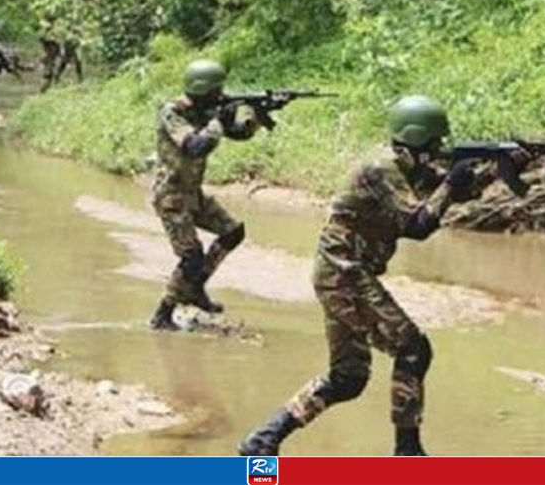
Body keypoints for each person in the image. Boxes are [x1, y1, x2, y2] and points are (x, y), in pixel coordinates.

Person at [238, 96, 524, 456]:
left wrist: (500, 169)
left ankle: (262, 441)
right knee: (414, 349)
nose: (439, 150)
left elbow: (454, 191)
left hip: (338, 272)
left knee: (347, 379)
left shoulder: (406, 168)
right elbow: (418, 225)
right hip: (344, 272)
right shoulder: (381, 169)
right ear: (419, 139)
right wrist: (451, 183)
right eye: (434, 144)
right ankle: (407, 454)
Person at [148, 59, 260, 331]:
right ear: (202, 91)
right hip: (171, 196)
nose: (220, 95)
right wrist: (218, 121)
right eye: (216, 91)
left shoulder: (206, 110)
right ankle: (162, 314)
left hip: (192, 193)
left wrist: (252, 118)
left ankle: (196, 288)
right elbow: (195, 147)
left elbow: (238, 134)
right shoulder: (172, 112)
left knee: (233, 231)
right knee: (191, 256)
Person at [38, 18, 62, 93]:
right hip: (48, 56)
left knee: (51, 73)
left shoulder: (53, 34)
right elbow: (42, 39)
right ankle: (43, 90)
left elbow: (58, 45)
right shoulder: (46, 35)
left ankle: (47, 89)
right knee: (48, 73)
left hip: (52, 56)